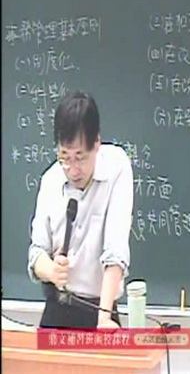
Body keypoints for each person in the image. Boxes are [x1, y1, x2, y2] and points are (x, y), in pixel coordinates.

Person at [27, 91, 134, 329]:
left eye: (80, 157)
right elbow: (36, 253)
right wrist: (51, 271)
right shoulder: (50, 180)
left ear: (96, 143)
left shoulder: (117, 167)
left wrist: (104, 317)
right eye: (64, 157)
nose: (72, 169)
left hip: (100, 308)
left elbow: (115, 250)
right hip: (58, 307)